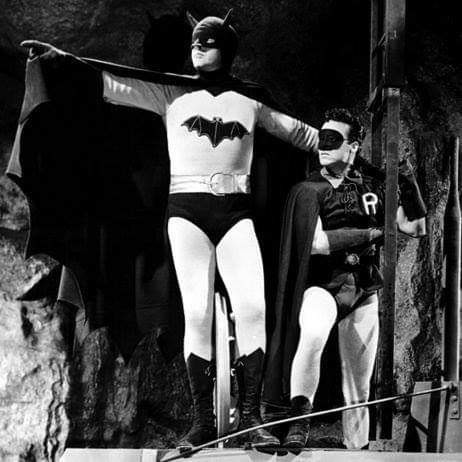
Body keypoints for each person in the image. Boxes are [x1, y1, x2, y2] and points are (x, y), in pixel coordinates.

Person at [20, 11, 321, 448]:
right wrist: (59, 59)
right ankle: (202, 421)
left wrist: (347, 149)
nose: (197, 46)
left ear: (226, 48)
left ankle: (251, 417)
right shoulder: (170, 94)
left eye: (208, 41)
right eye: (194, 40)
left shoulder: (250, 102)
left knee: (253, 308)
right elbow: (109, 84)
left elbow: (304, 136)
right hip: (187, 216)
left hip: (236, 215)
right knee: (196, 313)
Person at [262, 108, 427, 449]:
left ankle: (358, 447)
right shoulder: (309, 189)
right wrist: (372, 233)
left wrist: (408, 184)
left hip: (363, 288)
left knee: (359, 386)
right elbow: (317, 244)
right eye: (321, 137)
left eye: (332, 139)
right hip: (324, 285)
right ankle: (298, 423)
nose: (323, 145)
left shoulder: (371, 187)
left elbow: (415, 228)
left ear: (352, 146)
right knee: (313, 335)